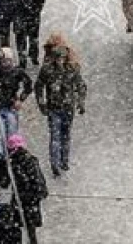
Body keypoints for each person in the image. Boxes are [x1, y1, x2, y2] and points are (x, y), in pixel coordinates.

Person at [35, 34, 88, 177]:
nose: (60, 61)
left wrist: (81, 102)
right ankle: (55, 163)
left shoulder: (72, 70)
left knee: (66, 135)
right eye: (57, 58)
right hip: (54, 108)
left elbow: (81, 86)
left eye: (62, 58)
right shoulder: (47, 70)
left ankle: (64, 160)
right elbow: (38, 87)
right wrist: (42, 104)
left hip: (68, 108)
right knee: (55, 135)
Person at [0, 48, 35, 154]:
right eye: (3, 61)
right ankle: (0, 159)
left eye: (8, 60)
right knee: (1, 138)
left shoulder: (17, 72)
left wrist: (21, 99)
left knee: (12, 137)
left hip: (11, 108)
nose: (6, 63)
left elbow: (28, 85)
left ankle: (12, 157)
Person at [6, 134, 49, 244]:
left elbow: (16, 180)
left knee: (18, 227)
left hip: (24, 198)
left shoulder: (15, 162)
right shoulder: (31, 159)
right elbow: (39, 179)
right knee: (30, 229)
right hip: (32, 199)